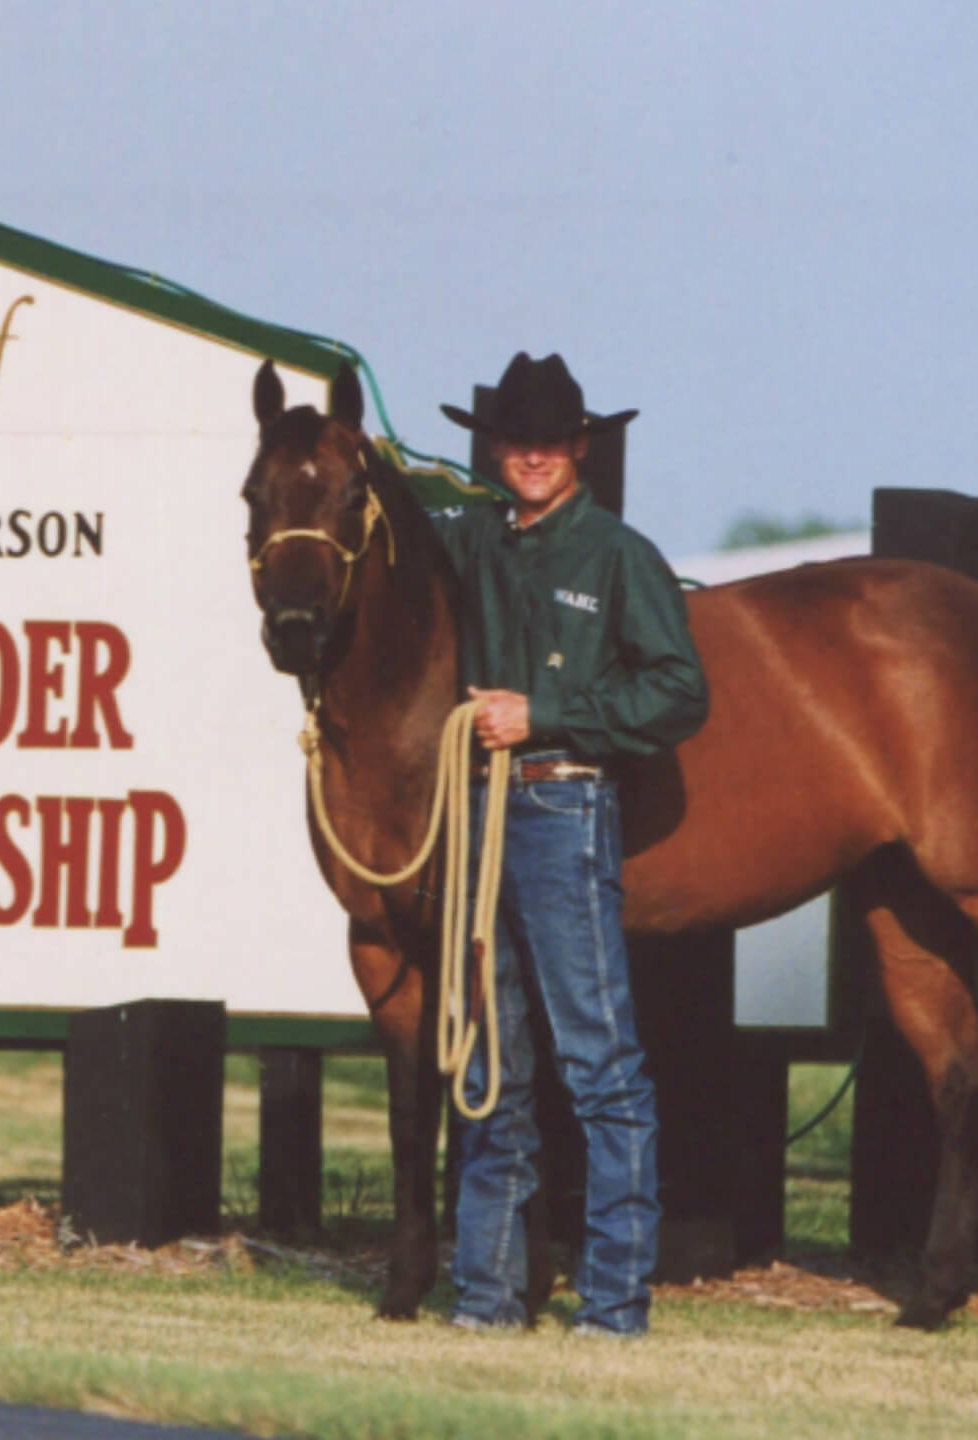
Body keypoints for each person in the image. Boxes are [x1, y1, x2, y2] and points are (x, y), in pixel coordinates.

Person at [429, 351, 710, 1338]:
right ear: (493, 447)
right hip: (474, 814)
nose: (533, 455)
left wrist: (539, 713)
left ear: (579, 446)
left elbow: (678, 691)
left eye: (550, 439)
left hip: (562, 811)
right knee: (487, 1065)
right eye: (516, 439)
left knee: (599, 1064)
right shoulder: (467, 539)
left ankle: (613, 1305)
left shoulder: (619, 556)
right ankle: (485, 1300)